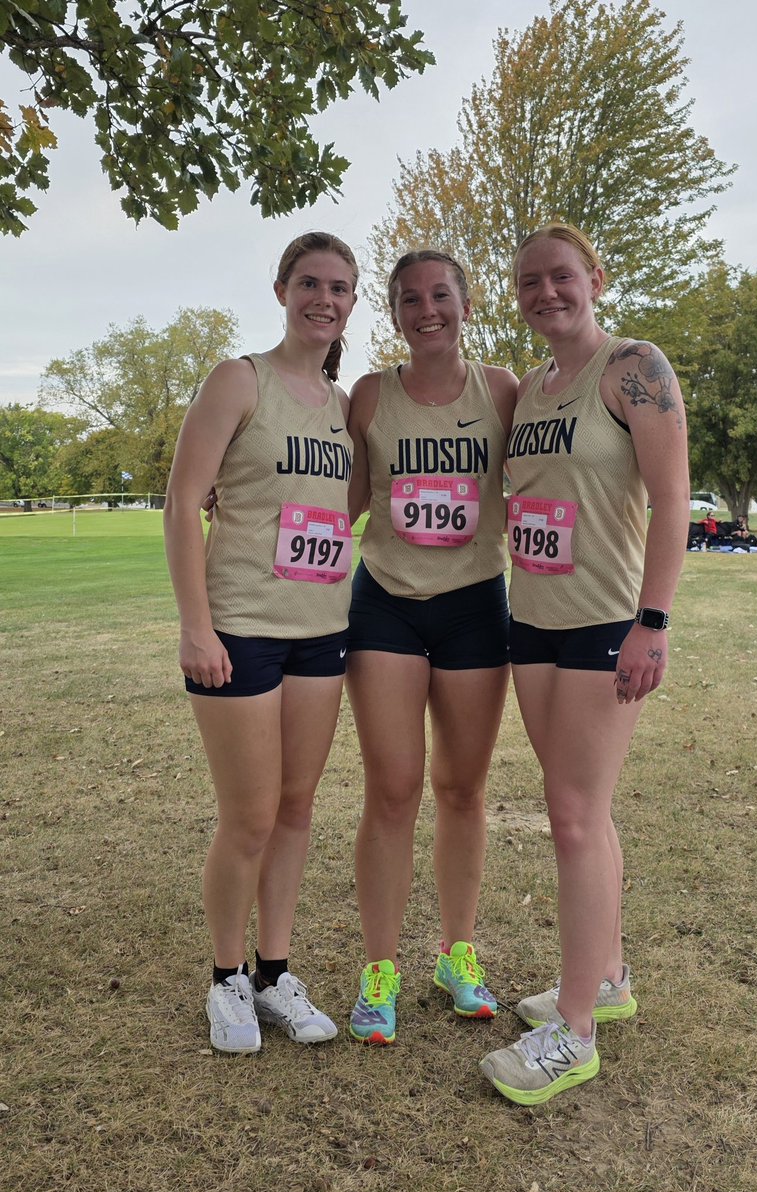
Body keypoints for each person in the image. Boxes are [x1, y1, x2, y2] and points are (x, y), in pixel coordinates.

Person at [478, 223, 689, 1105]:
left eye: (560, 276)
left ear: (594, 278)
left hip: (607, 622)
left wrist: (654, 621)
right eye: (528, 281)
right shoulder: (531, 388)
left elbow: (672, 493)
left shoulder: (634, 366)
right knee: (580, 812)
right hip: (532, 619)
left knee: (571, 816)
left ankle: (573, 1031)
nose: (544, 292)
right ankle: (604, 976)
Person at [163, 232, 358, 1053]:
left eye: (340, 287)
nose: (324, 297)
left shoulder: (348, 407)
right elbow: (180, 503)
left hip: (321, 633)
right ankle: (226, 979)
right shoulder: (238, 379)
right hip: (238, 633)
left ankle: (276, 973)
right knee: (247, 817)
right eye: (309, 282)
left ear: (353, 302)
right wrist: (195, 625)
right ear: (281, 289)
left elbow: (345, 509)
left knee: (295, 809)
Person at [345, 249, 518, 1045]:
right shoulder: (372, 394)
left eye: (440, 295)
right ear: (394, 313)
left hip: (475, 607)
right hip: (386, 605)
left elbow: (549, 471)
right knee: (392, 789)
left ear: (465, 303)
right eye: (409, 298)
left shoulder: (502, 389)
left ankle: (457, 954)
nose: (427, 309)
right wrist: (240, 490)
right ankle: (379, 969)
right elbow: (340, 494)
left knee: (461, 789)